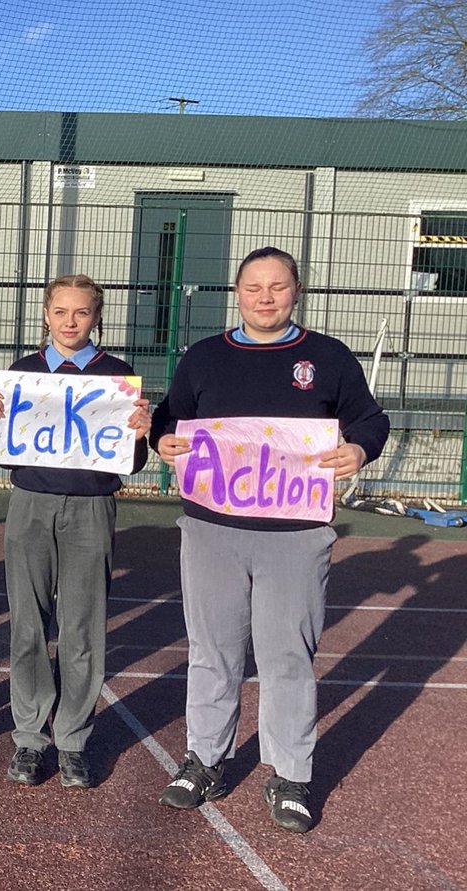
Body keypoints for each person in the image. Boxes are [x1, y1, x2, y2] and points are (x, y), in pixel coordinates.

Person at [150, 246, 389, 833]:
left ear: (296, 291)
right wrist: (163, 441)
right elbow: (168, 419)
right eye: (254, 286)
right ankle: (205, 760)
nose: (265, 297)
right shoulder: (204, 358)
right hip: (211, 527)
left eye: (277, 286)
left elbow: (370, 420)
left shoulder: (327, 358)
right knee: (213, 652)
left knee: (287, 656)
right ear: (237, 292)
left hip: (296, 533)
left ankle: (290, 775)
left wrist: (358, 449)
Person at [0, 274, 149, 789]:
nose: (70, 322)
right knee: (28, 626)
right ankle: (31, 739)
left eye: (80, 313)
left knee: (81, 628)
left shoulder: (117, 377)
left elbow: (134, 461)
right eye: (60, 312)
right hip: (30, 504)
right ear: (46, 314)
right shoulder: (22, 374)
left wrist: (141, 434)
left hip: (92, 507)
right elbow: (6, 441)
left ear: (96, 317)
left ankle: (73, 739)